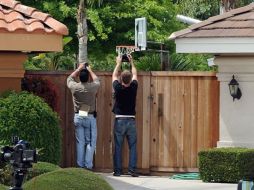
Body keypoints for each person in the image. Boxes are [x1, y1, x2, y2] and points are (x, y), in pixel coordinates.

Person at [67, 63, 100, 170]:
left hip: (79, 116)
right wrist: (90, 70)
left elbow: (70, 78)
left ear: (79, 78)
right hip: (89, 117)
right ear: (88, 78)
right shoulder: (92, 87)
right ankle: (88, 165)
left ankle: (80, 166)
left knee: (80, 143)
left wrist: (79, 68)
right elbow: (97, 80)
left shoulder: (75, 87)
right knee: (91, 142)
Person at [112, 54, 139, 177]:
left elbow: (114, 75)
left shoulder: (117, 88)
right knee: (132, 146)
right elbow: (135, 74)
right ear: (130, 80)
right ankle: (132, 170)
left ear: (121, 79)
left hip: (119, 120)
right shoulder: (133, 87)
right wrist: (131, 62)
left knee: (118, 146)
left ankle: (118, 171)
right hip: (131, 121)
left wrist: (118, 63)